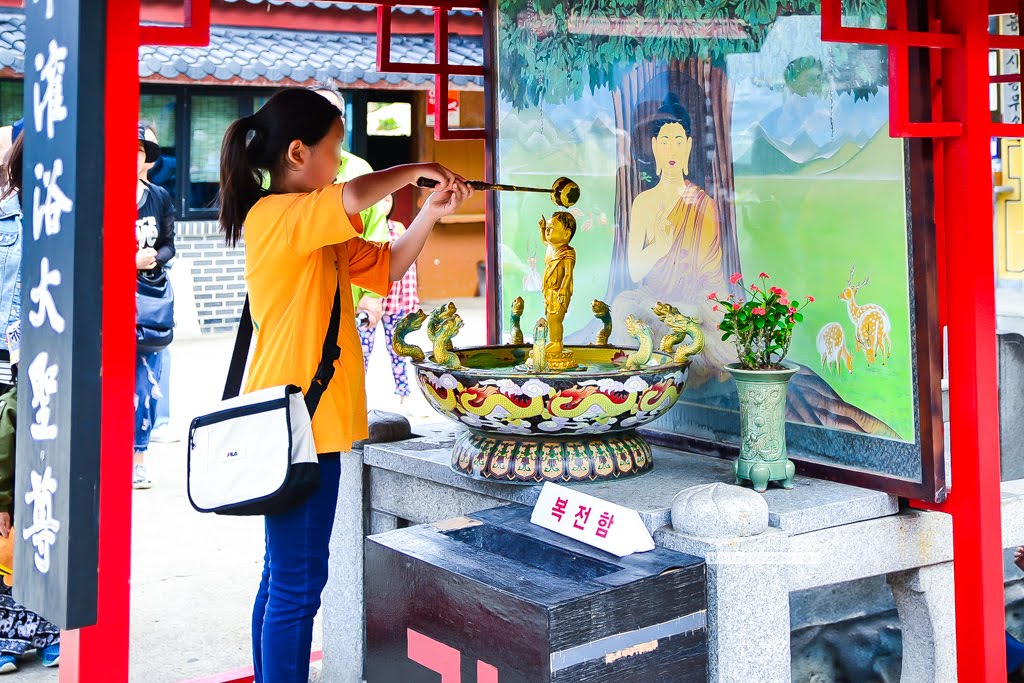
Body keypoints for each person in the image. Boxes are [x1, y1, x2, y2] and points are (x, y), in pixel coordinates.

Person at [218, 87, 470, 682]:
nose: (341, 165)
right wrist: (419, 169)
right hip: (296, 422)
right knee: (299, 586)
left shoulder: (313, 226)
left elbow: (384, 267)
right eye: (334, 150)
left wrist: (430, 209)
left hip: (308, 419)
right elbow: (356, 194)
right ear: (298, 153)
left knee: (284, 577)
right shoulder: (280, 214)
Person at [0, 132, 61, 673]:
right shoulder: (41, 230)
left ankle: (26, 631)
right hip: (29, 382)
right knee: (32, 507)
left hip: (23, 380)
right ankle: (28, 630)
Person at [309, 86, 393, 332]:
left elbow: (375, 234)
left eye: (332, 113)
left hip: (348, 301)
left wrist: (372, 295)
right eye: (315, 111)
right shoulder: (283, 172)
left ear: (342, 123)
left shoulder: (359, 170)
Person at [134, 124, 176, 489]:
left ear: (148, 160)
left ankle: (139, 457)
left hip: (148, 299)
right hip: (109, 298)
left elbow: (169, 244)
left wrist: (151, 257)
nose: (133, 157)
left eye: (139, 151)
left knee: (146, 382)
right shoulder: (102, 193)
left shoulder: (158, 196)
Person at [356, 193, 420, 405]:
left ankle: (404, 395)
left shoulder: (397, 229)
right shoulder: (364, 229)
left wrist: (411, 301)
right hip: (368, 303)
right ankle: (357, 397)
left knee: (398, 350)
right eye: (379, 198)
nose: (383, 202)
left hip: (394, 303)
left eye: (387, 199)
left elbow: (409, 269)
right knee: (361, 353)